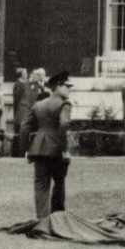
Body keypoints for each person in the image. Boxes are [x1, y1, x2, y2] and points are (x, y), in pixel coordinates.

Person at [27, 72, 73, 219]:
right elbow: (63, 124)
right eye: (67, 86)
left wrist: (26, 149)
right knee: (59, 183)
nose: (69, 90)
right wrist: (64, 149)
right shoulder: (64, 104)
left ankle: (42, 220)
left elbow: (24, 127)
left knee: (41, 186)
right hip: (56, 150)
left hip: (38, 150)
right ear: (59, 86)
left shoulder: (38, 104)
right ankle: (57, 219)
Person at [10, 68, 31, 158]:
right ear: (21, 74)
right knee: (19, 131)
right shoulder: (19, 84)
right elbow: (17, 100)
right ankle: (17, 152)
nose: (27, 74)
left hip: (23, 111)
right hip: (20, 111)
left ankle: (20, 151)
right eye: (25, 73)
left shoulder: (24, 84)